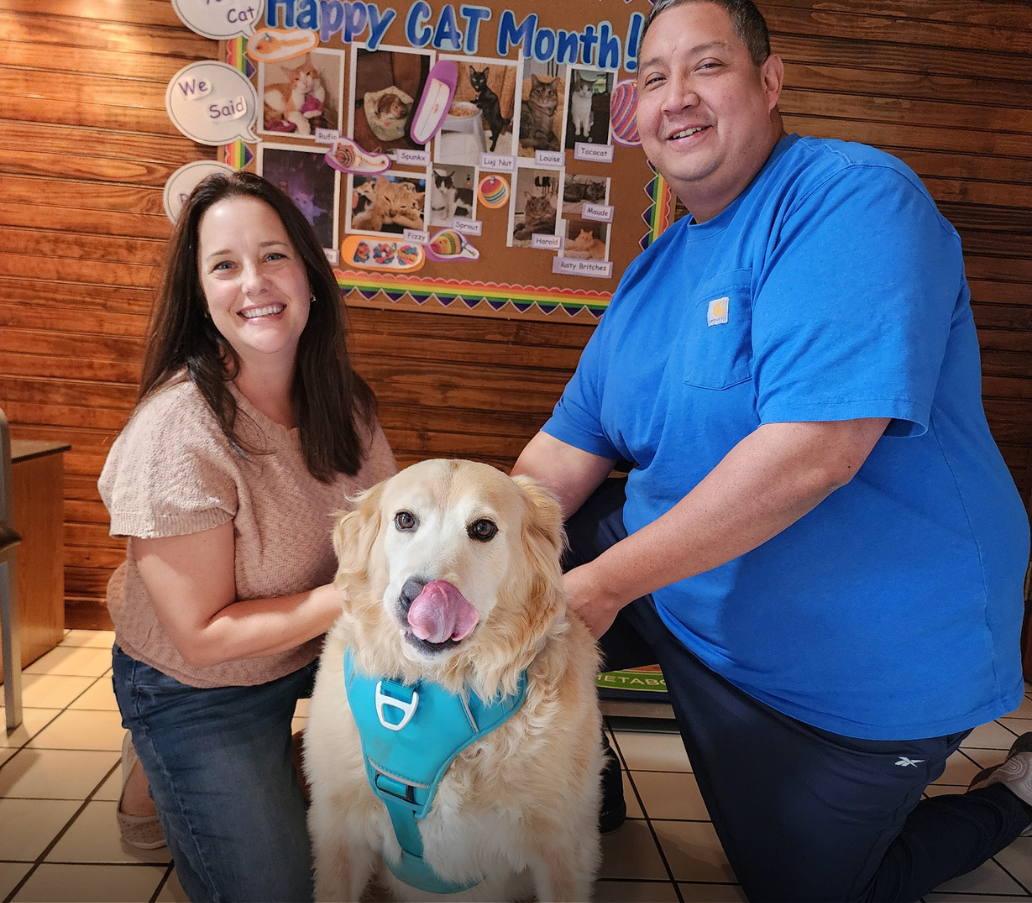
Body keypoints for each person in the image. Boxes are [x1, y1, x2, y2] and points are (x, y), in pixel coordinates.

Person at [511, 1, 1032, 900]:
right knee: (527, 556)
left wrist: (600, 586)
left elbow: (815, 451)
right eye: (654, 76)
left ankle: (1018, 792)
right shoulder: (655, 269)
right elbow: (559, 456)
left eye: (706, 66)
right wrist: (461, 548)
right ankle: (586, 783)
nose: (676, 97)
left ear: (770, 81)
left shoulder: (851, 197)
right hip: (684, 602)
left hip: (857, 665)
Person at [99, 171, 397, 902]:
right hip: (200, 683)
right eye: (224, 265)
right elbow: (201, 637)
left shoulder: (343, 400)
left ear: (310, 276)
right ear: (202, 299)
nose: (254, 282)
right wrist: (360, 592)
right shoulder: (177, 430)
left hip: (313, 649)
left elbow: (386, 527)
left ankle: (262, 760)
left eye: (273, 256)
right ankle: (158, 754)